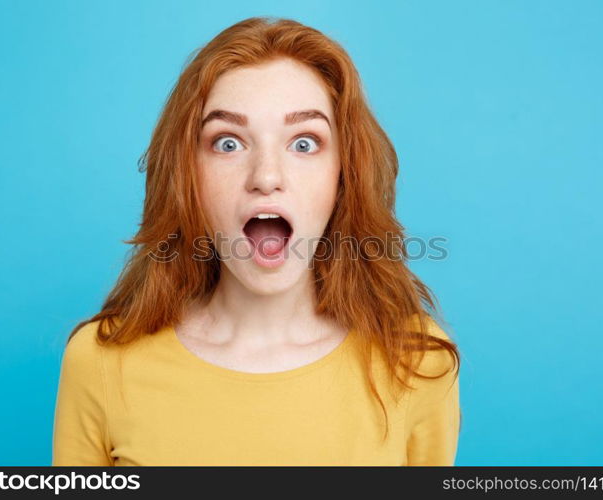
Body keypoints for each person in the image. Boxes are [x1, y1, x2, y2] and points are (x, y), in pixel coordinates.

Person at [52, 16, 461, 466]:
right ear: (188, 176)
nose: (266, 177)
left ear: (343, 176)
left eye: (304, 143)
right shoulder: (100, 362)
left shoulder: (416, 363)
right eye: (228, 143)